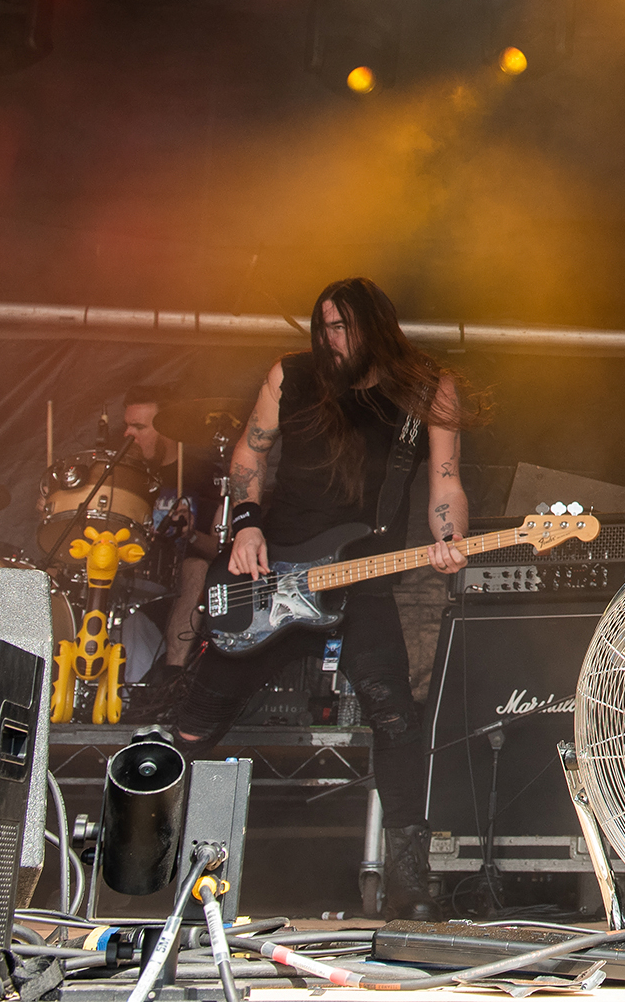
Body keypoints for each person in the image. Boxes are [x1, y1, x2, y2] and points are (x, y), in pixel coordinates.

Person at [173, 277, 484, 919]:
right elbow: (250, 453)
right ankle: (153, 843)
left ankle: (409, 884)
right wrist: (245, 525)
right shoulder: (290, 375)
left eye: (343, 327)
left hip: (359, 573)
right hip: (273, 573)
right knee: (199, 716)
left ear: (375, 327)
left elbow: (445, 481)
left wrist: (451, 537)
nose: (330, 339)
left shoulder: (426, 388)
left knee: (394, 717)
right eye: (323, 326)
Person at [116, 384, 222, 699]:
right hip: (130, 576)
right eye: (126, 426)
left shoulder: (206, 477)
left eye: (138, 427)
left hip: (180, 587)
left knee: (196, 567)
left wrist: (191, 534)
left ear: (166, 429)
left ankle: (171, 681)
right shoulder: (126, 476)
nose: (128, 434)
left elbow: (221, 550)